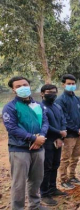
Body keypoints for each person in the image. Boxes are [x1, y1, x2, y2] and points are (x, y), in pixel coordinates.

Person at [2, 76, 48, 210]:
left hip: (39, 148)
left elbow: (45, 122)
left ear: (30, 86)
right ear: (13, 90)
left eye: (25, 84)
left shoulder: (38, 105)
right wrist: (33, 138)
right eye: (18, 86)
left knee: (37, 179)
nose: (22, 87)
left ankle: (35, 205)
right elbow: (12, 128)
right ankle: (18, 208)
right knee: (19, 183)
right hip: (19, 149)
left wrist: (42, 137)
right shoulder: (10, 107)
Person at [56, 74, 80, 189]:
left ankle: (72, 176)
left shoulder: (77, 98)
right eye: (69, 84)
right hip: (69, 135)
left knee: (76, 156)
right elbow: (64, 118)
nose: (71, 86)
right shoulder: (60, 100)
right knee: (66, 158)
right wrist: (76, 129)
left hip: (79, 134)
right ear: (63, 85)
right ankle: (63, 179)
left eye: (73, 84)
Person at [40, 84, 68, 206]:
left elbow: (63, 120)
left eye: (54, 92)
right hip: (46, 141)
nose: (52, 94)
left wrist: (62, 134)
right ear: (42, 93)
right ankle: (44, 193)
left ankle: (52, 188)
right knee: (47, 167)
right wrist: (59, 132)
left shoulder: (57, 106)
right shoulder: (40, 107)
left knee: (55, 164)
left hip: (58, 140)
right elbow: (44, 124)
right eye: (48, 92)